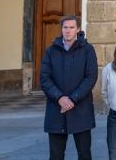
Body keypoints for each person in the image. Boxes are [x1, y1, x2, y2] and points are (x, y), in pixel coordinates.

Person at [40, 15, 98, 160]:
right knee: (56, 156)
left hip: (81, 109)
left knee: (84, 154)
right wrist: (60, 98)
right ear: (61, 29)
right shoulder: (51, 51)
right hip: (56, 110)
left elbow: (91, 77)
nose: (68, 31)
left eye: (72, 27)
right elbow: (45, 78)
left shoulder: (88, 50)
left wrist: (72, 99)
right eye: (65, 27)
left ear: (78, 29)